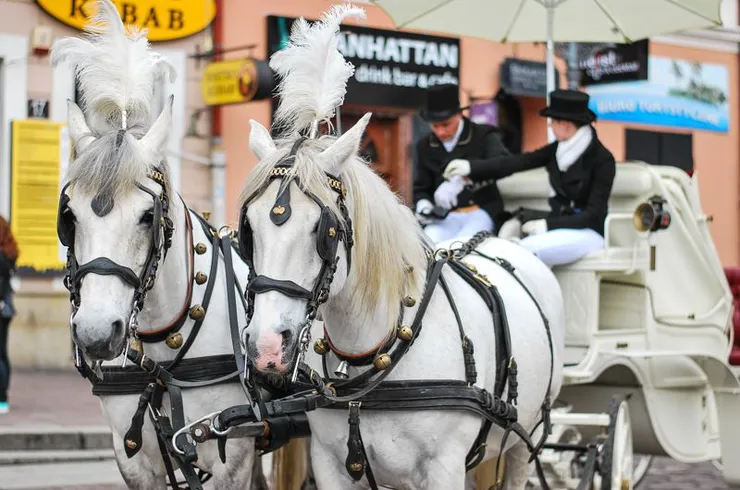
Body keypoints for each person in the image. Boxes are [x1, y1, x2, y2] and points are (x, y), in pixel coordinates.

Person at [443, 89, 616, 267]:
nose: (550, 126)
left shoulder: (602, 160)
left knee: (522, 253)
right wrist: (471, 167)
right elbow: (518, 162)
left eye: (553, 121)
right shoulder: (557, 150)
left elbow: (592, 215)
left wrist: (547, 225)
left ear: (565, 124)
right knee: (508, 248)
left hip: (589, 233)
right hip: (560, 228)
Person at [413, 83, 510, 243]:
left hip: (480, 210)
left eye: (446, 124)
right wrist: (424, 204)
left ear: (459, 114)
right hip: (445, 216)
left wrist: (465, 178)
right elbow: (422, 187)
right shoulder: (424, 145)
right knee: (427, 245)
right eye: (435, 126)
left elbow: (502, 164)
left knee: (460, 248)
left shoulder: (483, 135)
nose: (440, 132)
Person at [0, 215, 17, 413]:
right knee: (3, 354)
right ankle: (4, 395)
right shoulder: (10, 253)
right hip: (7, 308)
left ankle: (2, 397)